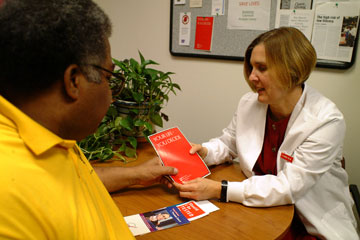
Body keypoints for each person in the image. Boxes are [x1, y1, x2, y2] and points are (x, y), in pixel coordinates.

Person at [0, 0, 177, 239]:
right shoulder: (9, 201)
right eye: (108, 77)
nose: (112, 97)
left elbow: (74, 179)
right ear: (73, 81)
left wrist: (137, 173)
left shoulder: (46, 132)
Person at [174, 27, 359, 239]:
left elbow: (288, 187)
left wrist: (220, 189)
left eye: (262, 68)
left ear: (292, 70)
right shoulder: (248, 104)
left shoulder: (326, 121)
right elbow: (228, 143)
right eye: (251, 67)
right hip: (258, 213)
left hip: (309, 225)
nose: (252, 77)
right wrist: (205, 151)